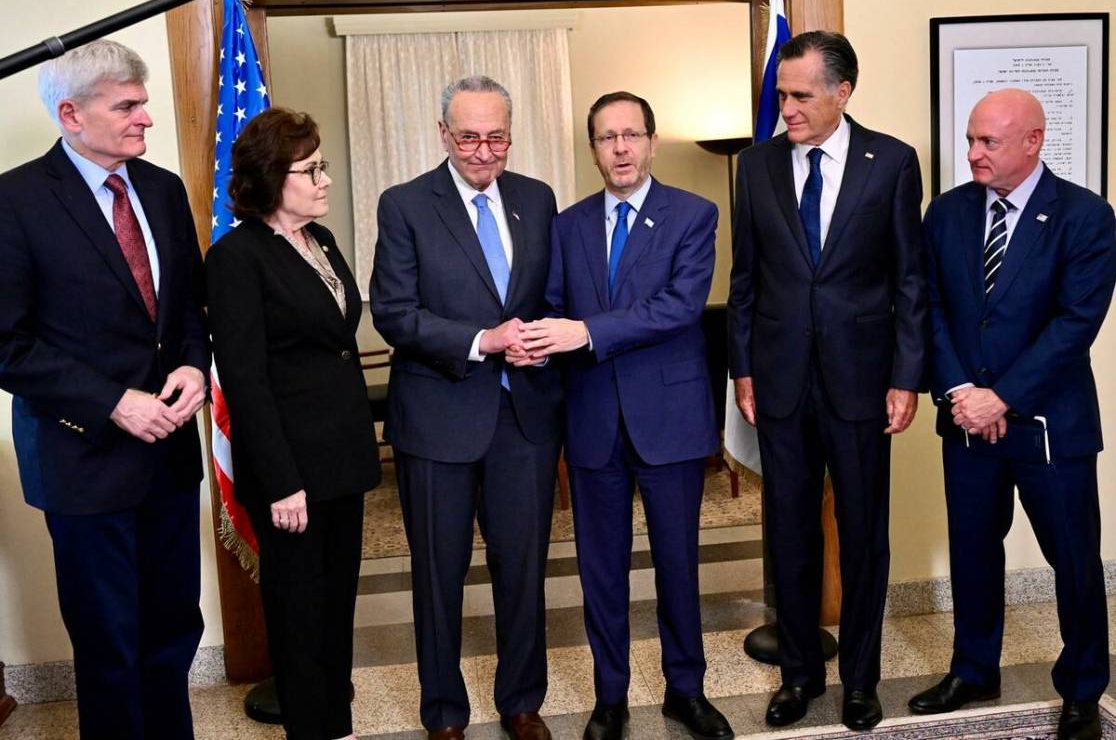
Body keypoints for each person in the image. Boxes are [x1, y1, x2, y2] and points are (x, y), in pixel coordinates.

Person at [0, 39, 208, 739]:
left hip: (170, 458)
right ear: (70, 114)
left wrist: (192, 366)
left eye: (143, 102)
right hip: (82, 461)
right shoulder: (15, 200)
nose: (145, 118)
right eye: (127, 105)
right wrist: (114, 401)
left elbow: (187, 312)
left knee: (174, 629)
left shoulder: (161, 188)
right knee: (109, 645)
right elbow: (8, 344)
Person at [727, 31, 927, 731]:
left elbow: (910, 280)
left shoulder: (893, 164)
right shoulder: (754, 168)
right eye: (781, 94)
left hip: (863, 385)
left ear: (843, 92)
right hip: (779, 385)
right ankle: (800, 674)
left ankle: (862, 679)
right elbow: (744, 281)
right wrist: (743, 370)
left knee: (865, 533)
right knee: (789, 534)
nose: (787, 107)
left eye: (800, 95)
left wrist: (907, 376)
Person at [518, 91, 733, 740]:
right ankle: (609, 695)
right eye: (606, 137)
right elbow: (552, 308)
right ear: (593, 148)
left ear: (651, 141)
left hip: (669, 416)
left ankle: (685, 690)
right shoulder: (568, 224)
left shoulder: (694, 214)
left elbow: (679, 306)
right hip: (591, 420)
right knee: (601, 567)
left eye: (630, 135)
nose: (619, 148)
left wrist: (583, 330)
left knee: (678, 561)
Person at [911, 89, 1114, 740]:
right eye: (970, 139)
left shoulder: (1085, 216)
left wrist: (1003, 396)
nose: (972, 153)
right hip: (966, 419)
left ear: (1033, 140)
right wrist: (962, 391)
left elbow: (1074, 323)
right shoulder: (946, 213)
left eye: (987, 142)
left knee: (1075, 560)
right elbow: (930, 309)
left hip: (1050, 426)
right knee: (973, 550)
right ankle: (974, 668)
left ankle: (1083, 685)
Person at [369, 76, 562, 740]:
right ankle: (444, 713)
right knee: (438, 576)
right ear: (444, 134)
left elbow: (549, 293)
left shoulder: (537, 200)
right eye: (469, 136)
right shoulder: (405, 205)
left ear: (512, 133)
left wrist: (543, 337)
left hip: (525, 419)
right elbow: (395, 313)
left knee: (523, 570)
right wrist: (483, 341)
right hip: (437, 419)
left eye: (497, 136)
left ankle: (521, 701)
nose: (484, 150)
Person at [205, 108, 381, 740]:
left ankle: (337, 723)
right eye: (310, 169)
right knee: (299, 614)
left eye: (322, 165)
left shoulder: (322, 241)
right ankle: (314, 728)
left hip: (343, 460)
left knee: (336, 608)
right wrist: (281, 482)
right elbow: (245, 381)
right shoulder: (236, 259)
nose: (324, 179)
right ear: (271, 178)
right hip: (290, 474)